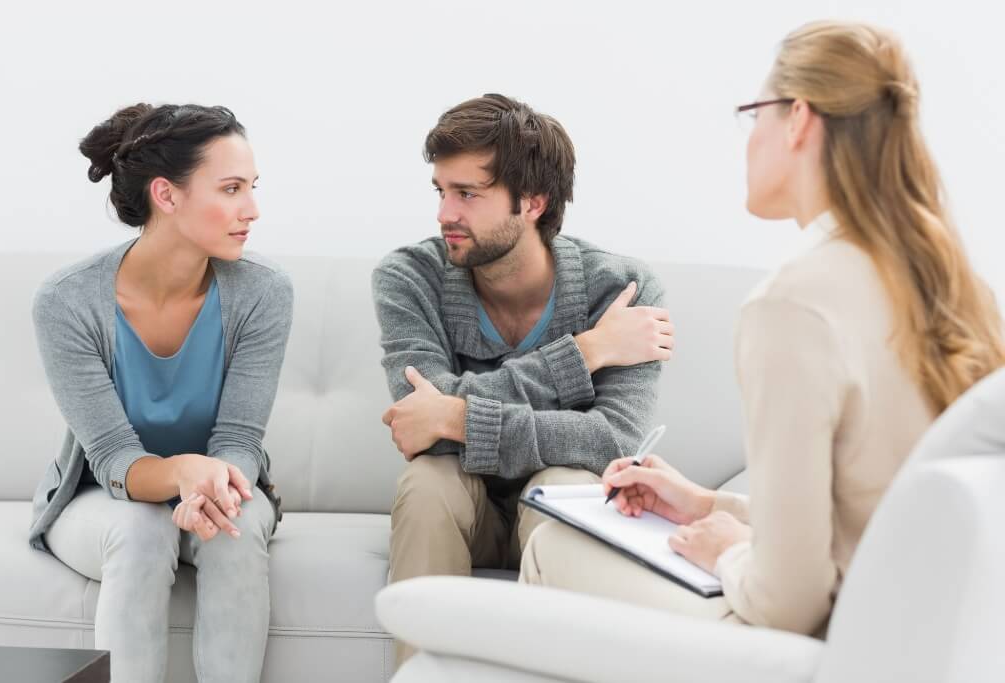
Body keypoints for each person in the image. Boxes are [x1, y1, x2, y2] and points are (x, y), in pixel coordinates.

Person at [520, 20, 1005, 637]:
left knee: (554, 548)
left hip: (824, 645)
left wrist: (726, 549)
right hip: (920, 634)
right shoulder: (959, 288)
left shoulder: (792, 305)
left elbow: (788, 601)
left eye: (755, 115)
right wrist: (708, 507)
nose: (750, 140)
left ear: (798, 118)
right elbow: (871, 523)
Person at [372, 93, 674, 664]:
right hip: (464, 508)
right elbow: (420, 430)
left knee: (563, 483)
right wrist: (585, 351)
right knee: (429, 482)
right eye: (441, 191)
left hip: (560, 507)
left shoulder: (624, 291)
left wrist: (458, 415)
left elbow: (613, 443)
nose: (444, 214)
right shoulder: (410, 277)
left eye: (467, 194)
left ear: (532, 202)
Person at [29, 103, 294, 682]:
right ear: (166, 196)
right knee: (142, 528)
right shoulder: (68, 302)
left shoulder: (263, 292)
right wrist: (179, 475)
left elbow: (241, 438)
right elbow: (112, 458)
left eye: (251, 187)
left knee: (237, 525)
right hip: (102, 497)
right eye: (230, 188)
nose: (251, 210)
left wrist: (210, 482)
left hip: (223, 482)